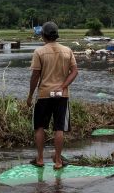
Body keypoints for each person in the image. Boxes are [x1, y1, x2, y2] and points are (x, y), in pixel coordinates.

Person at [27, 21, 78, 169]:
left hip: (43, 94)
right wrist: (63, 86)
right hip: (62, 95)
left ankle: (40, 159)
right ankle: (58, 161)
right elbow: (75, 71)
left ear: (43, 35)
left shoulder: (39, 52)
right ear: (56, 35)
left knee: (40, 127)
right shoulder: (67, 50)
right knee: (59, 128)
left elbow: (35, 76)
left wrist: (30, 95)